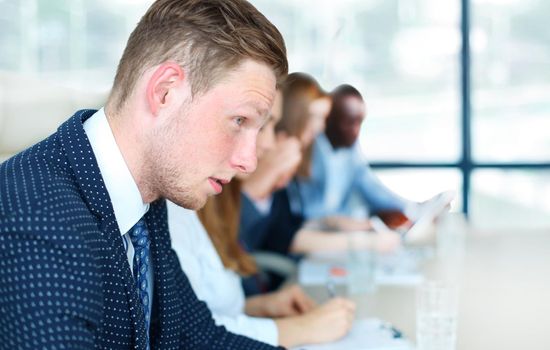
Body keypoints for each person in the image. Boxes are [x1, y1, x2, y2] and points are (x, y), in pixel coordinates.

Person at [0, 0, 289, 349]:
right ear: (165, 92)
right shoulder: (38, 221)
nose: (250, 162)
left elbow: (196, 338)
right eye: (239, 121)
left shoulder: (144, 198)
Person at [167, 90, 356, 348]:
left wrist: (256, 307)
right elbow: (191, 333)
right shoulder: (180, 204)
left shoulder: (208, 199)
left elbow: (204, 309)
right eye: (243, 122)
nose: (265, 144)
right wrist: (301, 328)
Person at [238, 74, 400, 296]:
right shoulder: (271, 159)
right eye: (315, 116)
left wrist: (331, 222)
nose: (320, 127)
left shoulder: (295, 159)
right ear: (296, 115)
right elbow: (281, 235)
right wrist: (363, 243)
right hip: (268, 280)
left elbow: (287, 222)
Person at [293, 84, 421, 231]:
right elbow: (309, 211)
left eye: (359, 122)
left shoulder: (350, 148)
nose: (355, 131)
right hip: (311, 231)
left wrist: (412, 208)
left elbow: (371, 186)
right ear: (329, 119)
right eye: (349, 123)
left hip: (342, 228)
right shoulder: (308, 146)